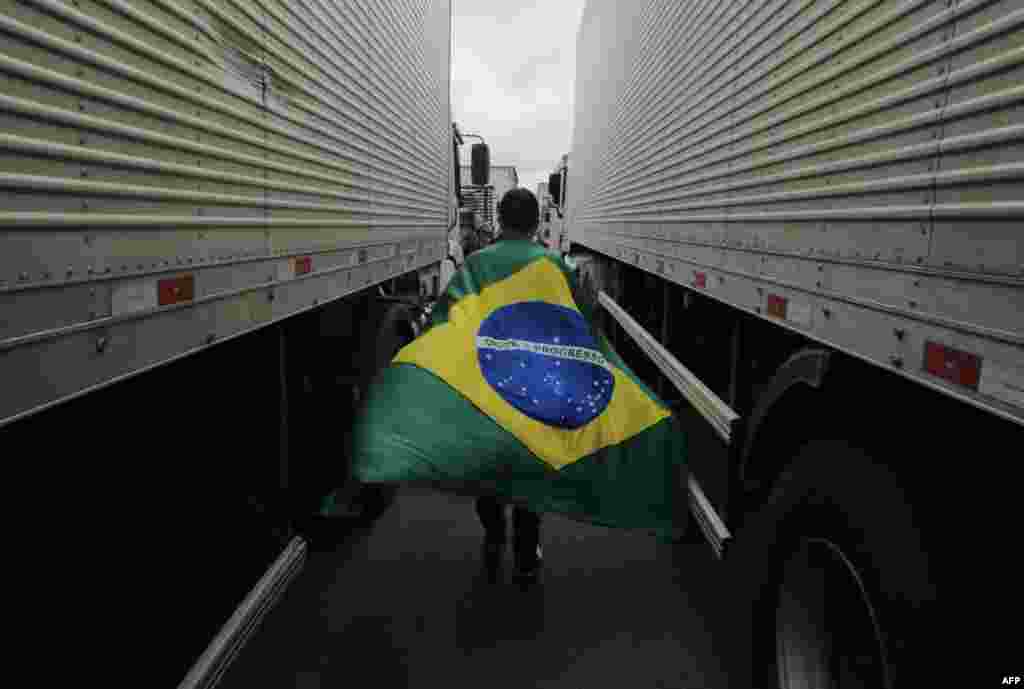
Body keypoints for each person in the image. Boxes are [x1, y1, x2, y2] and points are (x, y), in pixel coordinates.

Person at [472, 187, 549, 582]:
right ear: (536, 223)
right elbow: (580, 322)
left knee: (488, 464)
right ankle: (525, 552)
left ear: (500, 220)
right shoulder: (553, 265)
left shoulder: (475, 265)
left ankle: (492, 532)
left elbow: (449, 321)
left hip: (487, 383)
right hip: (535, 385)